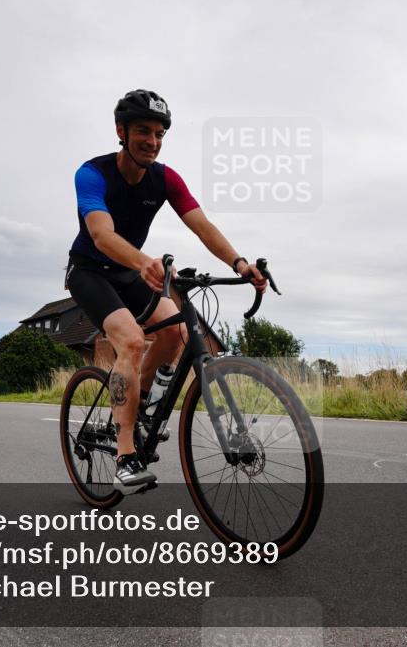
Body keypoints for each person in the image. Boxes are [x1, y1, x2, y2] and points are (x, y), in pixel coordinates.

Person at [66, 89, 266, 494]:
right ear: (121, 131)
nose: (152, 142)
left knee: (175, 333)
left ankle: (134, 404)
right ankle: (125, 454)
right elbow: (102, 235)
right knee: (132, 341)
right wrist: (144, 261)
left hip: (132, 273)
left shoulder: (165, 178)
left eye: (159, 133)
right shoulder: (92, 174)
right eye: (143, 131)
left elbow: (202, 225)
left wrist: (239, 263)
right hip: (91, 271)